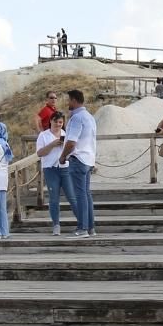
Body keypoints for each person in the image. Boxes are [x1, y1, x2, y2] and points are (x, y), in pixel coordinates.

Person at [58, 89, 97, 237]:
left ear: (74, 100)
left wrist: (62, 156)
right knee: (86, 194)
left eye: (69, 100)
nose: (68, 103)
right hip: (88, 158)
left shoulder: (76, 118)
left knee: (80, 195)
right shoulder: (90, 117)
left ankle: (83, 228)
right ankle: (90, 227)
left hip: (78, 158)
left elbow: (71, 142)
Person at [36, 111, 79, 235]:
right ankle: (56, 225)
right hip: (50, 169)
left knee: (72, 197)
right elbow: (39, 153)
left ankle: (81, 222)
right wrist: (52, 144)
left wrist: (66, 148)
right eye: (56, 121)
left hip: (64, 168)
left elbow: (73, 150)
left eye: (60, 122)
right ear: (50, 121)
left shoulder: (66, 134)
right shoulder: (43, 135)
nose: (58, 124)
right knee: (54, 198)